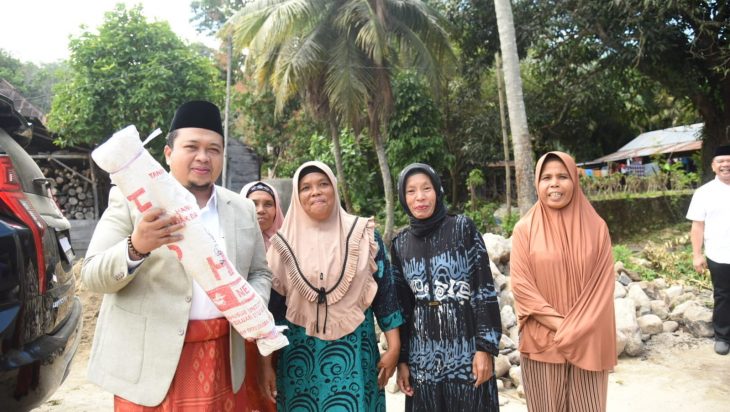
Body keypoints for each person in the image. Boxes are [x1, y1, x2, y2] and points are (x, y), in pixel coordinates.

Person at [81, 100, 272, 410]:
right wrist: (136, 246)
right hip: (151, 367)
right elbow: (92, 275)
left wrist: (252, 302)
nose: (203, 157)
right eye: (192, 147)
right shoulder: (133, 200)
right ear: (168, 153)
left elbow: (260, 272)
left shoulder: (242, 208)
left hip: (223, 359)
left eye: (213, 149)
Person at [262, 161, 403, 411]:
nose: (315, 192)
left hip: (355, 354)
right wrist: (265, 365)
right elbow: (272, 312)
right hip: (299, 360)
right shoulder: (282, 246)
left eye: (323, 184)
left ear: (334, 188)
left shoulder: (364, 236)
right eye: (306, 187)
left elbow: (385, 294)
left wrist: (394, 347)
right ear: (297, 196)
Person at [510, 151, 616, 412]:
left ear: (574, 181)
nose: (554, 183)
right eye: (546, 177)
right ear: (537, 183)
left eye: (562, 176)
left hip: (589, 338)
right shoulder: (524, 230)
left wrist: (576, 330)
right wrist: (564, 328)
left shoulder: (597, 228)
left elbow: (602, 286)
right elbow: (522, 288)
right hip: (543, 340)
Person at [392, 163, 502, 412]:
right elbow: (403, 308)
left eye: (426, 188)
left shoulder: (462, 229)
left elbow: (483, 290)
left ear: (437, 191)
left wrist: (485, 348)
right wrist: (402, 360)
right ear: (403, 198)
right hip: (422, 358)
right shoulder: (400, 244)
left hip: (466, 351)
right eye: (411, 191)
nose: (420, 197)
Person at [236, 181, 284, 412]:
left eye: (268, 204)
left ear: (277, 210)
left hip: (279, 340)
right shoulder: (229, 246)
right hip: (239, 341)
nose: (260, 210)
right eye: (253, 203)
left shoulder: (288, 247)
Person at [687, 145, 730, 355]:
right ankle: (722, 337)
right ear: (713, 166)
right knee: (722, 296)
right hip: (719, 254)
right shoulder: (704, 193)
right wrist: (697, 255)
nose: (726, 164)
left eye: (729, 160)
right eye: (721, 161)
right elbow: (697, 226)